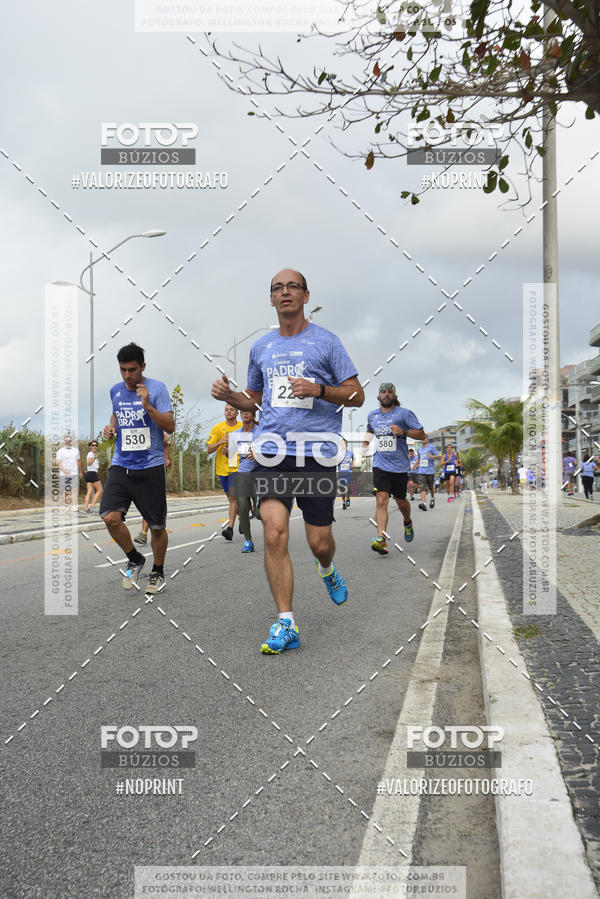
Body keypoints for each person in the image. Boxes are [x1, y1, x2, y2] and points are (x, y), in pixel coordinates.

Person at [211, 268, 364, 654]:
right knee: (274, 532)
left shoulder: (327, 342)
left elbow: (357, 395)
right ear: (271, 299)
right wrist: (230, 396)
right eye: (277, 288)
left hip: (316, 454)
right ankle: (286, 622)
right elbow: (254, 400)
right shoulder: (261, 348)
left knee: (319, 542)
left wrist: (319, 389)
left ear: (306, 295)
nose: (285, 292)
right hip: (273, 453)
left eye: (292, 286)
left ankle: (326, 569)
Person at [99, 342, 174, 594]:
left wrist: (148, 406)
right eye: (123, 370)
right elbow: (116, 415)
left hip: (150, 467)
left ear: (142, 366)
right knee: (110, 517)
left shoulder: (157, 388)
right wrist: (111, 428)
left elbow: (170, 426)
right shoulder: (115, 391)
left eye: (132, 370)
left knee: (156, 527)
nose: (127, 376)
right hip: (122, 464)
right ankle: (135, 558)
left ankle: (158, 572)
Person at [362, 383, 426, 554]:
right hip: (380, 464)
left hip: (399, 466)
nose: (386, 394)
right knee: (381, 500)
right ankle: (381, 539)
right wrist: (365, 444)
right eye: (383, 392)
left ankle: (407, 521)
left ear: (394, 396)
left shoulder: (404, 414)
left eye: (390, 392)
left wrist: (404, 432)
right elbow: (369, 430)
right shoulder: (372, 415)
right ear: (378, 396)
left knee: (401, 500)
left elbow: (422, 434)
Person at [207, 404, 242, 540]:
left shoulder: (242, 427)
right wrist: (220, 442)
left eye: (231, 409)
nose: (228, 412)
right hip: (223, 468)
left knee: (233, 498)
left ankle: (230, 528)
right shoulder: (218, 427)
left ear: (237, 412)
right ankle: (243, 518)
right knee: (231, 499)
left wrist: (234, 450)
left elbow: (249, 447)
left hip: (237, 466)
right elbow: (209, 449)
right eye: (226, 410)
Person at [233, 409, 261, 552]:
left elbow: (272, 452)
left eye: (248, 411)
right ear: (240, 414)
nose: (245, 414)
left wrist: (258, 455)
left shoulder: (261, 432)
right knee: (243, 509)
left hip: (259, 474)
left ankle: (273, 532)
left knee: (258, 513)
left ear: (253, 415)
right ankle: (248, 541)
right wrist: (227, 453)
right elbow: (231, 458)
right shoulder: (236, 434)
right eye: (243, 411)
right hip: (242, 474)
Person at [135, 435, 172, 545]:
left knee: (152, 503)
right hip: (141, 469)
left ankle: (145, 533)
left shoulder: (158, 431)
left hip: (156, 469)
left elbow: (165, 445)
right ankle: (148, 531)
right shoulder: (136, 430)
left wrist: (166, 458)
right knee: (147, 503)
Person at [56, 435, 82, 509]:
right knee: (65, 491)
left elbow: (79, 462)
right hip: (64, 474)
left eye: (69, 440)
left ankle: (74, 506)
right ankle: (66, 506)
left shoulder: (76, 450)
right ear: (64, 442)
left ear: (71, 441)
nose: (68, 442)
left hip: (74, 473)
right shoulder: (60, 451)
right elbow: (58, 463)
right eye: (66, 441)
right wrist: (65, 471)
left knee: (74, 489)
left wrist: (80, 472)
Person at [415, 437, 440, 511]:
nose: (423, 439)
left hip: (430, 471)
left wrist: (432, 456)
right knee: (422, 487)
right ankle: (424, 503)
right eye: (421, 437)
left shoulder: (431, 447)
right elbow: (419, 458)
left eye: (424, 437)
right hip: (421, 471)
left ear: (427, 439)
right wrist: (414, 465)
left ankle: (432, 498)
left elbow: (438, 456)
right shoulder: (419, 448)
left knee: (430, 487)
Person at [83, 440, 102, 512]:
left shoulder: (91, 454)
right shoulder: (91, 454)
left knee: (89, 491)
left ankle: (85, 508)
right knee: (100, 490)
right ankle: (92, 505)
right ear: (90, 446)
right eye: (93, 445)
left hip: (89, 474)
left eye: (96, 445)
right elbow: (89, 463)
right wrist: (94, 458)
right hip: (92, 474)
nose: (94, 446)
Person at [337, 438, 353, 509]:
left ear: (347, 444)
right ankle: (343, 502)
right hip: (340, 473)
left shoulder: (350, 453)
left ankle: (348, 498)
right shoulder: (338, 453)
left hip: (348, 473)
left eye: (345, 443)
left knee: (348, 487)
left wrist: (353, 464)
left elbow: (354, 458)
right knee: (341, 489)